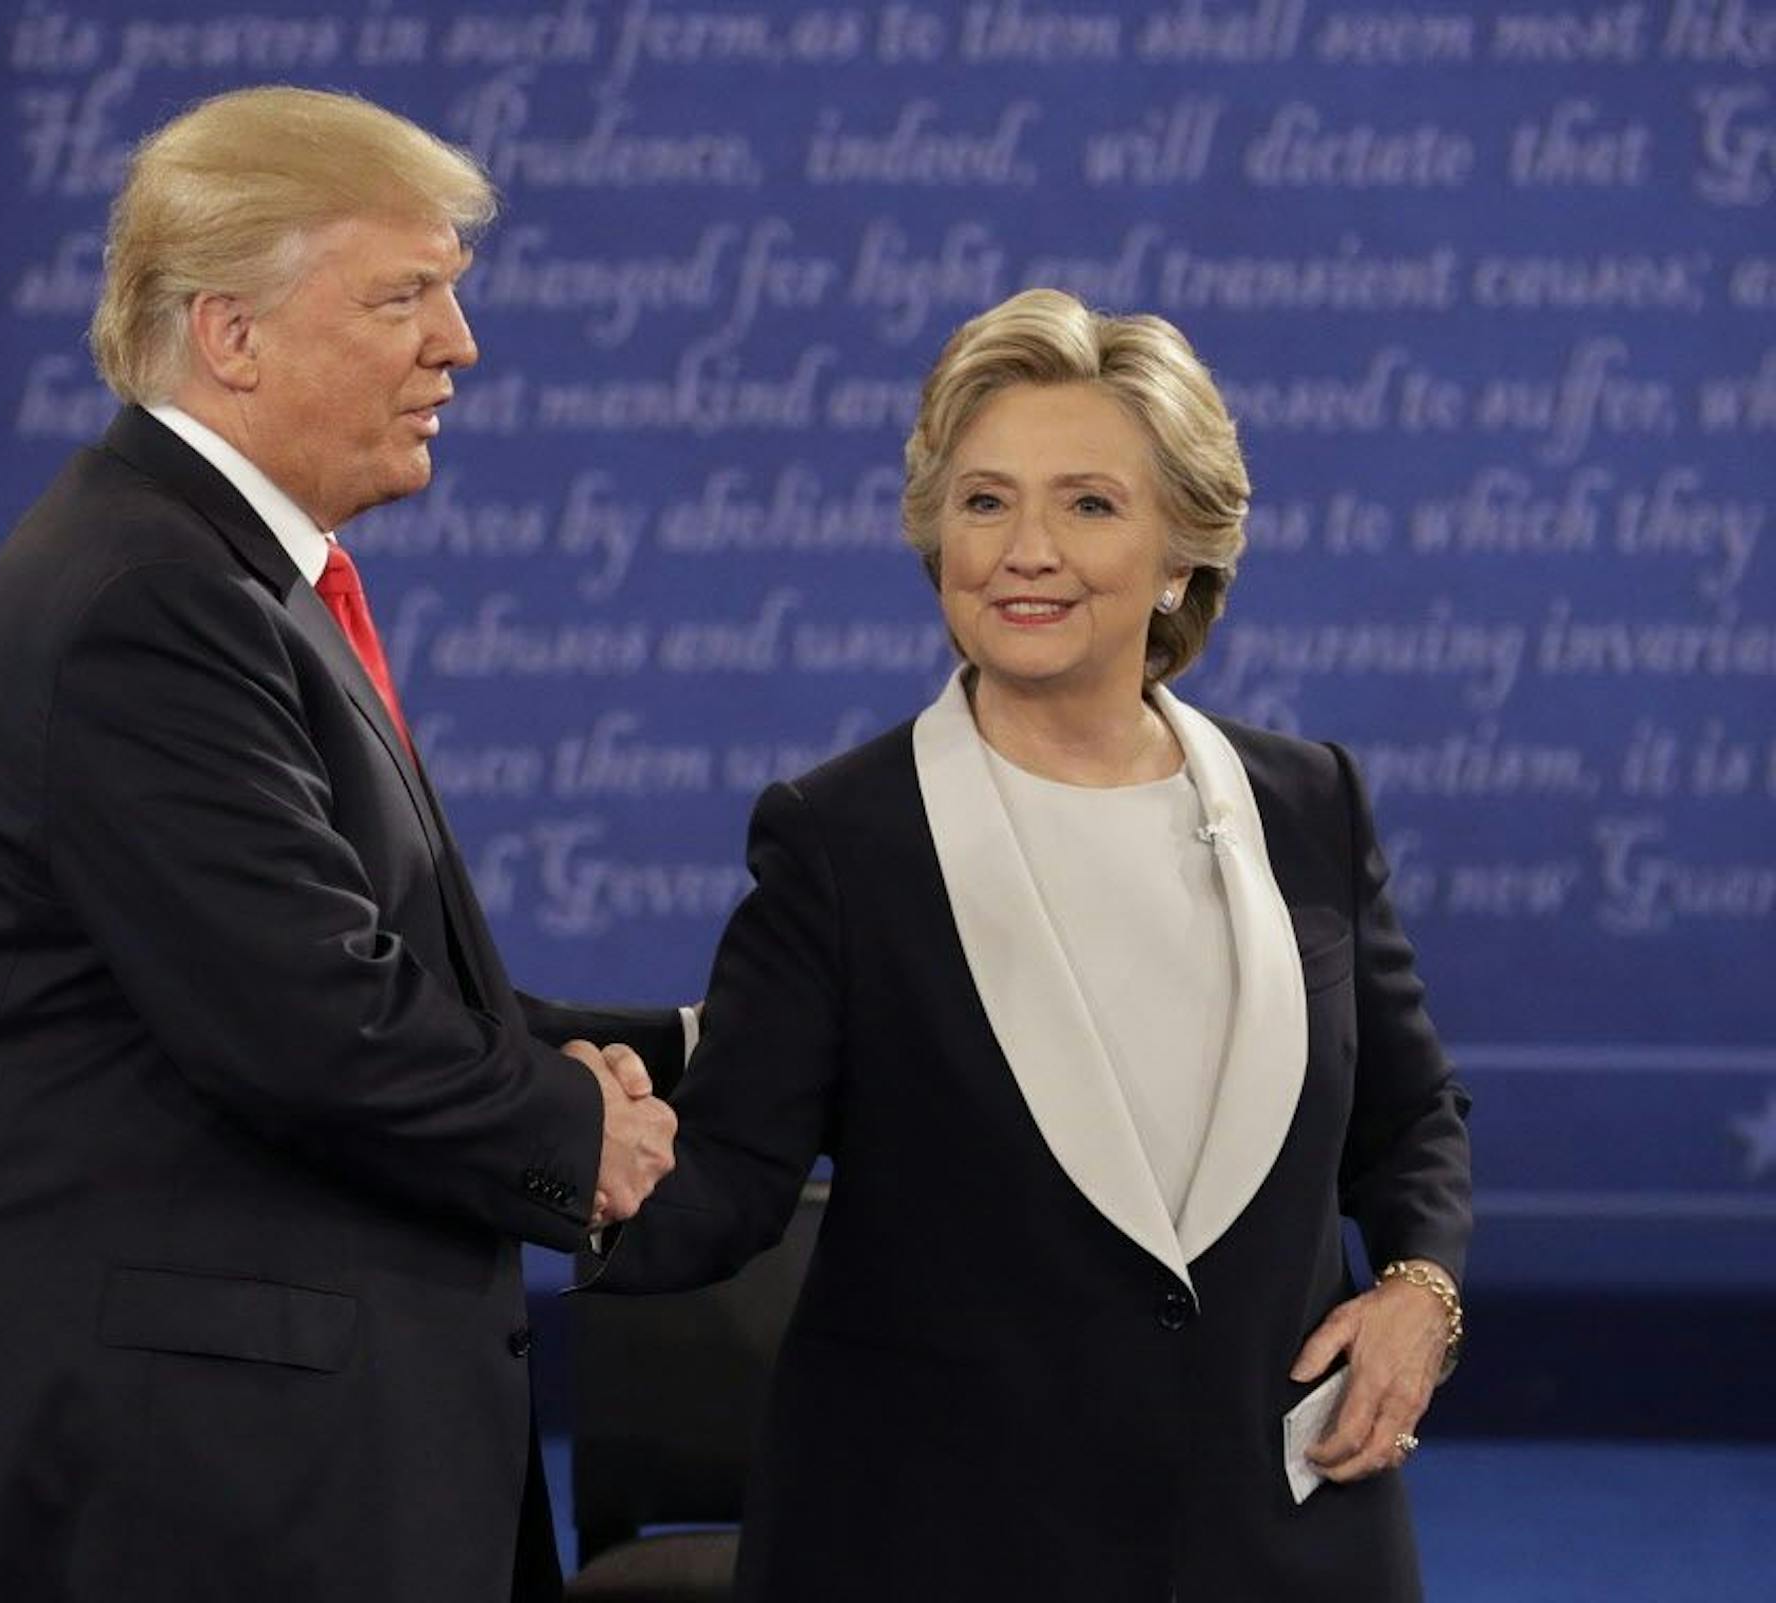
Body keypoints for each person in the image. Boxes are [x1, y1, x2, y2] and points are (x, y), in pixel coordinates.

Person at [0, 87, 679, 1603]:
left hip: (238, 1447)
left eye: (449, 297)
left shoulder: (219, 575)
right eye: (403, 296)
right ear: (232, 334)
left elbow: (361, 974)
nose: (456, 347)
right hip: (173, 1476)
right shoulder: (151, 602)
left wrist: (672, 1051)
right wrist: (572, 1133)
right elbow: (312, 1022)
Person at [590, 288, 1473, 1600]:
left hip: (1279, 1545)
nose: (1026, 550)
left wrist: (1421, 1293)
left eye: (1090, 504)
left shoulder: (1308, 805)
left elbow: (1410, 1123)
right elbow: (730, 1183)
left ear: (1184, 552)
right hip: (939, 1545)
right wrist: (569, 1163)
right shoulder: (842, 839)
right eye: (986, 501)